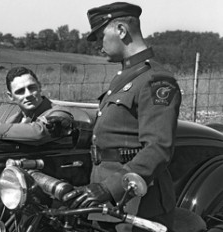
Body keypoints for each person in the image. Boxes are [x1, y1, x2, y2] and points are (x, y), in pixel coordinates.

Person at [63, 2, 182, 232]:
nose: (98, 45)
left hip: (136, 202)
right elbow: (119, 127)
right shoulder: (127, 77)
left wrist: (109, 188)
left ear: (121, 30)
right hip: (108, 199)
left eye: (100, 36)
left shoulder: (156, 80)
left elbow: (158, 149)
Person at [0, 66, 73, 142]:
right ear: (10, 96)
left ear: (39, 87)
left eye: (32, 88)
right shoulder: (10, 116)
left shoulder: (59, 113)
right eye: (20, 91)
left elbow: (39, 132)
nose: (28, 94)